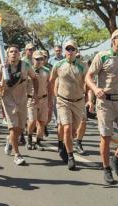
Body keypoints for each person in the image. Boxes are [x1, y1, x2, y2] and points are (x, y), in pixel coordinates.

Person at [0, 45, 38, 165]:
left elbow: (34, 78)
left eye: (16, 51)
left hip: (22, 99)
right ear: (7, 55)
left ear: (20, 54)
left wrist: (36, 94)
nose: (14, 53)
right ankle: (17, 154)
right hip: (8, 100)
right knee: (13, 127)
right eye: (11, 52)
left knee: (20, 128)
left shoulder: (26, 65)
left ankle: (9, 140)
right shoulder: (2, 66)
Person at [85, 29, 118, 184]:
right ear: (113, 40)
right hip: (105, 102)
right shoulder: (103, 56)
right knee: (106, 136)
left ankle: (115, 158)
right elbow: (88, 76)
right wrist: (95, 89)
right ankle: (106, 169)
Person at [49, 40, 87, 171]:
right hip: (63, 101)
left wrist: (90, 99)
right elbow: (52, 80)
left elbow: (87, 82)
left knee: (74, 131)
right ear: (64, 51)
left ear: (76, 51)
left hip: (78, 101)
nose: (70, 51)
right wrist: (54, 97)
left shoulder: (82, 66)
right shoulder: (58, 65)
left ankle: (65, 146)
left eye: (72, 49)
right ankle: (71, 156)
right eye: (67, 49)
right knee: (66, 128)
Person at [26, 51, 52, 150]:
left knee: (42, 121)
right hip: (31, 99)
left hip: (43, 98)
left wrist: (50, 100)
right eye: (37, 59)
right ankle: (29, 139)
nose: (40, 61)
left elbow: (49, 86)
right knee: (32, 120)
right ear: (33, 59)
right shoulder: (29, 70)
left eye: (41, 59)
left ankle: (38, 140)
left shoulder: (46, 70)